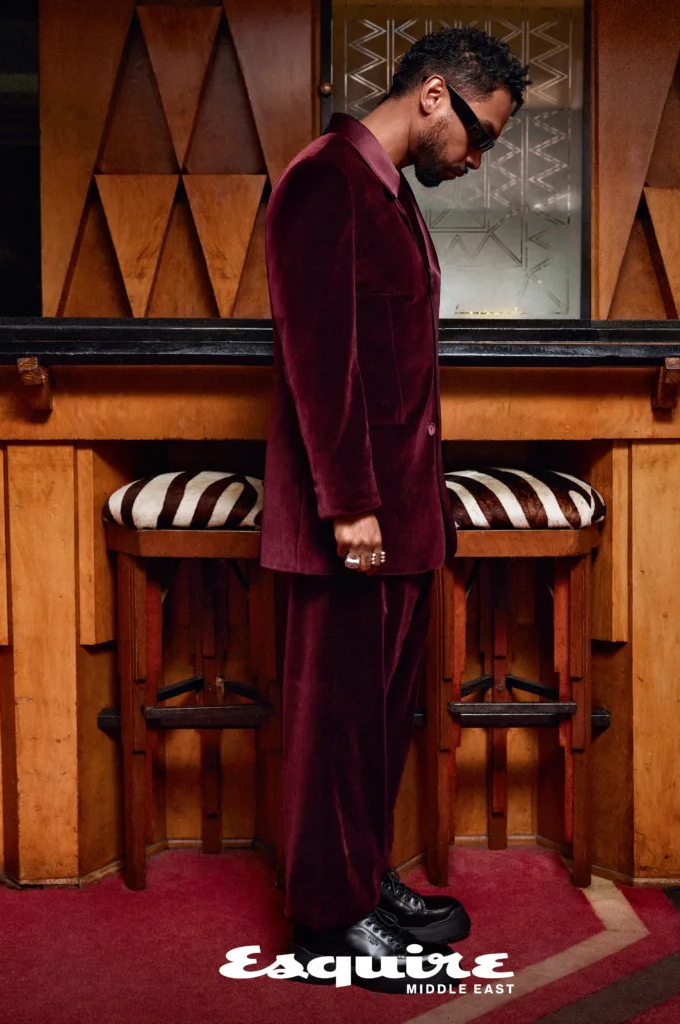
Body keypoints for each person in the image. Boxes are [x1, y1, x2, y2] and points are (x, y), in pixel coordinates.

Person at [260, 26, 530, 992]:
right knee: (333, 729)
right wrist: (348, 506)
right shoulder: (323, 181)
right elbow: (318, 358)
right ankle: (326, 925)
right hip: (354, 514)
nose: (478, 157)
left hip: (399, 512)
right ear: (433, 96)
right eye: (480, 135)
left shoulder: (384, 190)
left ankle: (362, 884)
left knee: (374, 723)